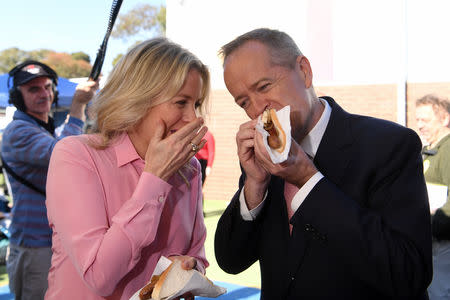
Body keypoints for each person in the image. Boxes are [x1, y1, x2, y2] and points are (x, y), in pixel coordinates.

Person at [214, 28, 432, 299]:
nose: (258, 108)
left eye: (264, 86)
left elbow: (409, 273)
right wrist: (254, 186)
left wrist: (308, 181)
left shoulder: (390, 145)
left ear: (304, 71)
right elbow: (231, 261)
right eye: (244, 101)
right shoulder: (264, 159)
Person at [45, 37, 210, 299]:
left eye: (196, 104)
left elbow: (197, 254)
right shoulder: (76, 155)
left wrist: (189, 266)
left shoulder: (189, 168)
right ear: (139, 98)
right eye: (181, 102)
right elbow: (99, 276)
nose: (193, 117)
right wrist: (155, 178)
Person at [1, 60, 98, 300]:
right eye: (34, 89)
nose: (44, 94)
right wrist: (77, 107)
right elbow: (66, 155)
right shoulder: (18, 132)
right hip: (36, 246)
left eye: (47, 87)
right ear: (17, 96)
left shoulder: (44, 130)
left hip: (52, 242)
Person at [415, 94, 450, 300]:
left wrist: (432, 226)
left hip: (443, 243)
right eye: (418, 120)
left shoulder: (447, 150)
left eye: (425, 120)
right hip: (431, 241)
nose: (420, 125)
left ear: (445, 119)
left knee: (440, 293)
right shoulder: (428, 151)